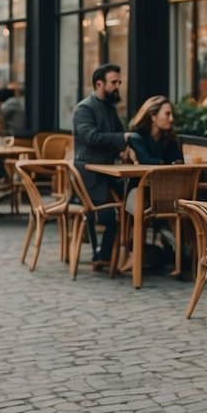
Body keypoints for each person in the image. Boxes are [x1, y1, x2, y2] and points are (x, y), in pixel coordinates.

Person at [73, 63, 135, 269]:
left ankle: (126, 252)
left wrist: (124, 149)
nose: (118, 86)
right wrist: (122, 138)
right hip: (88, 173)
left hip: (108, 171)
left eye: (119, 82)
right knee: (108, 213)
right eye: (114, 82)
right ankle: (102, 255)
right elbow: (91, 137)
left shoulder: (109, 108)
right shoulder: (84, 108)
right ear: (99, 84)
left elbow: (117, 136)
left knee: (134, 203)